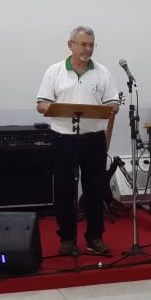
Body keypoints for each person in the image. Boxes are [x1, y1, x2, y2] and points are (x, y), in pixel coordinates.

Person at [35, 26, 121, 256]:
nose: (88, 49)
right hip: (63, 138)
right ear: (70, 45)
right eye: (83, 44)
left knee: (95, 189)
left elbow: (113, 104)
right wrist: (55, 108)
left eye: (91, 45)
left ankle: (95, 237)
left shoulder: (103, 72)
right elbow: (41, 104)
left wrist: (110, 108)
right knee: (64, 189)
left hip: (93, 139)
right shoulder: (55, 71)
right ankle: (67, 239)